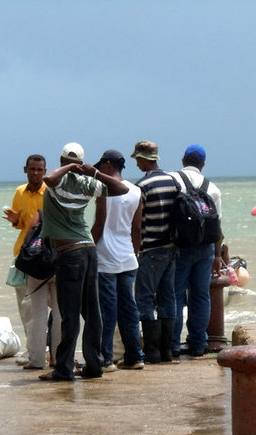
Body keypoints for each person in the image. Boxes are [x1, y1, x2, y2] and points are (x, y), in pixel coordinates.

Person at [38, 143, 129, 381]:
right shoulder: (87, 185)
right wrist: (89, 173)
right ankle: (94, 365)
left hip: (71, 254)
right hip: (88, 251)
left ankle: (64, 369)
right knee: (92, 312)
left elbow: (48, 178)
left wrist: (85, 170)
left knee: (70, 315)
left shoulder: (60, 182)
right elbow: (120, 189)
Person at [3, 154, 61, 370]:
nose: (36, 173)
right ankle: (35, 352)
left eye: (40, 170)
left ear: (45, 171)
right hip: (26, 255)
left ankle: (52, 355)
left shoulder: (51, 191)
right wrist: (15, 221)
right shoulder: (20, 192)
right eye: (32, 169)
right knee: (28, 309)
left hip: (49, 256)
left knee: (53, 311)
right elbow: (23, 225)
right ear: (25, 169)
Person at [90, 150, 144, 371]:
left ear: (109, 165)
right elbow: (137, 228)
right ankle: (135, 356)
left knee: (107, 311)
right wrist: (135, 251)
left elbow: (100, 223)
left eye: (101, 165)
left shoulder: (104, 189)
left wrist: (90, 248)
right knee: (129, 310)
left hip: (106, 257)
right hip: (128, 257)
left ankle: (106, 358)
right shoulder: (136, 191)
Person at [170, 145, 223, 358]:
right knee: (201, 296)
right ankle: (198, 344)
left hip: (180, 247)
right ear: (203, 164)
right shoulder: (213, 189)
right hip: (206, 249)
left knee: (175, 295)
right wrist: (218, 256)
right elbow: (218, 227)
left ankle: (173, 344)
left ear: (183, 160)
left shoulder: (174, 180)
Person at [132, 141, 179, 364]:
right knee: (167, 298)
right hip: (172, 248)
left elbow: (138, 223)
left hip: (150, 249)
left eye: (138, 159)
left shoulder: (142, 186)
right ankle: (167, 351)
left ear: (144, 158)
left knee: (144, 298)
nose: (137, 163)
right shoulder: (172, 181)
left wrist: (135, 249)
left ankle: (151, 352)